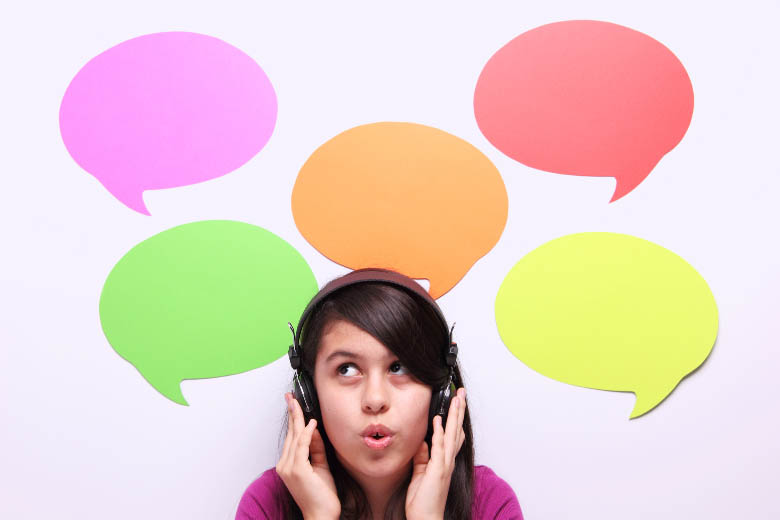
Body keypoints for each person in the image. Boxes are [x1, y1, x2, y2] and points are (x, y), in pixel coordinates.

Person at [236, 269, 523, 519]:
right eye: (347, 369)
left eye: (399, 368)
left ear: (440, 396)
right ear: (308, 394)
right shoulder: (266, 504)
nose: (375, 400)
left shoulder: (490, 503)